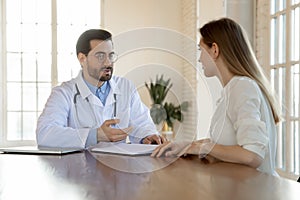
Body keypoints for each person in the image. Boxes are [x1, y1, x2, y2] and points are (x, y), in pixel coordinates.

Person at [152, 18, 281, 176]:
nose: (199, 59)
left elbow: (252, 156)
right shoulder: (232, 89)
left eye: (201, 50)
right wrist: (187, 145)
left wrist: (204, 147)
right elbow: (225, 145)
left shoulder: (242, 87)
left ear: (214, 50)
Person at [36, 29, 165, 149]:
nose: (108, 63)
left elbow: (141, 124)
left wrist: (147, 137)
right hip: (79, 169)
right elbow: (45, 133)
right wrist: (95, 135)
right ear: (82, 59)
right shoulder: (63, 93)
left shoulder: (126, 87)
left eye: (111, 56)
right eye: (100, 56)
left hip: (119, 168)